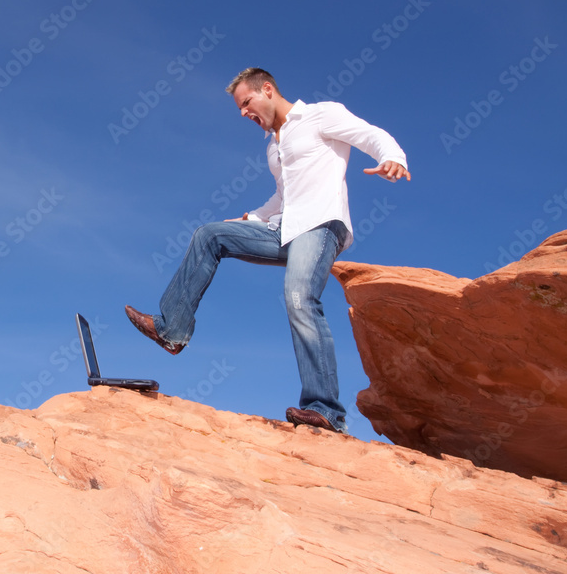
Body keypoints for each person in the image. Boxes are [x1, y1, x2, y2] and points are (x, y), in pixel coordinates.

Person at [125, 68, 410, 434]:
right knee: (210, 235)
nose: (244, 113)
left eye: (247, 103)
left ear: (268, 90)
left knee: (299, 297)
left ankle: (325, 410)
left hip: (321, 226)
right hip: (284, 229)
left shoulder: (319, 115)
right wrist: (252, 218)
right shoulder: (273, 147)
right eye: (240, 108)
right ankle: (172, 330)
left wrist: (393, 157)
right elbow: (283, 196)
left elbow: (369, 134)